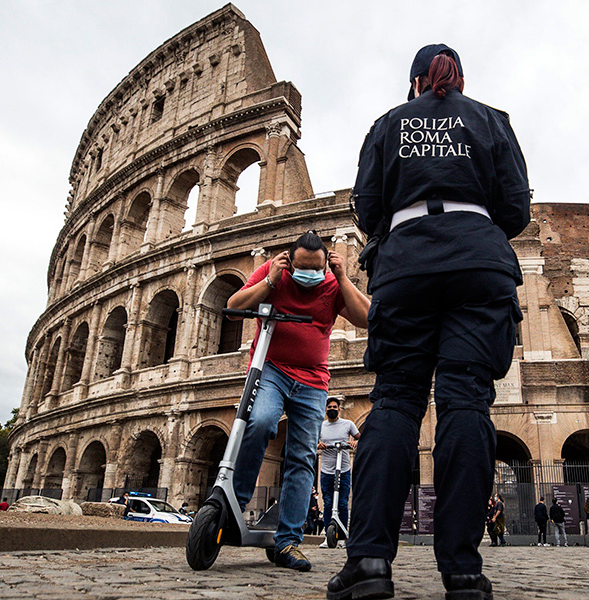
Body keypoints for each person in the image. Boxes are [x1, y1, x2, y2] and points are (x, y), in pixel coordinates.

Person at [328, 43, 530, 600]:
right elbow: (516, 208)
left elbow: (367, 208)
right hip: (479, 260)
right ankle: (463, 572)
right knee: (466, 402)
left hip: (407, 264)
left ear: (415, 82)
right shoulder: (491, 121)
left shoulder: (389, 124)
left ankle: (369, 562)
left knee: (395, 400)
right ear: (458, 80)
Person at [226, 231, 370, 572]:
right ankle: (235, 504)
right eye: (302, 268)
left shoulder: (333, 283)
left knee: (303, 456)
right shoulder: (273, 272)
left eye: (316, 269)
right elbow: (233, 310)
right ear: (290, 261)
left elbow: (367, 318)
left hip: (313, 380)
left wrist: (343, 277)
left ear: (325, 264)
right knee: (260, 422)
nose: (309, 275)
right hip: (271, 369)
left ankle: (288, 540)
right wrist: (270, 283)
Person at [318, 397, 360, 548]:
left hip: (343, 469)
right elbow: (313, 442)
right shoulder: (321, 426)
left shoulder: (348, 424)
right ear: (326, 409)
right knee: (328, 503)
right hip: (326, 470)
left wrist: (355, 442)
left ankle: (341, 536)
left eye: (335, 407)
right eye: (329, 407)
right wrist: (319, 444)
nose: (332, 409)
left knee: (342, 503)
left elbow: (361, 438)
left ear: (339, 409)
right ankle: (327, 535)